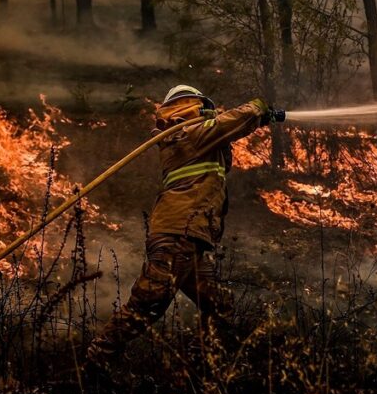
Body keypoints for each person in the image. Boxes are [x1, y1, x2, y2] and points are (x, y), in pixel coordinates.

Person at [86, 85, 285, 368]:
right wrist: (258, 107)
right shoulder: (188, 135)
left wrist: (249, 124)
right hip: (177, 234)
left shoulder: (194, 138)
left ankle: (204, 364)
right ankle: (98, 358)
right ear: (193, 107)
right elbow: (233, 122)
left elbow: (224, 157)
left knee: (219, 305)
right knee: (150, 300)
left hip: (189, 238)